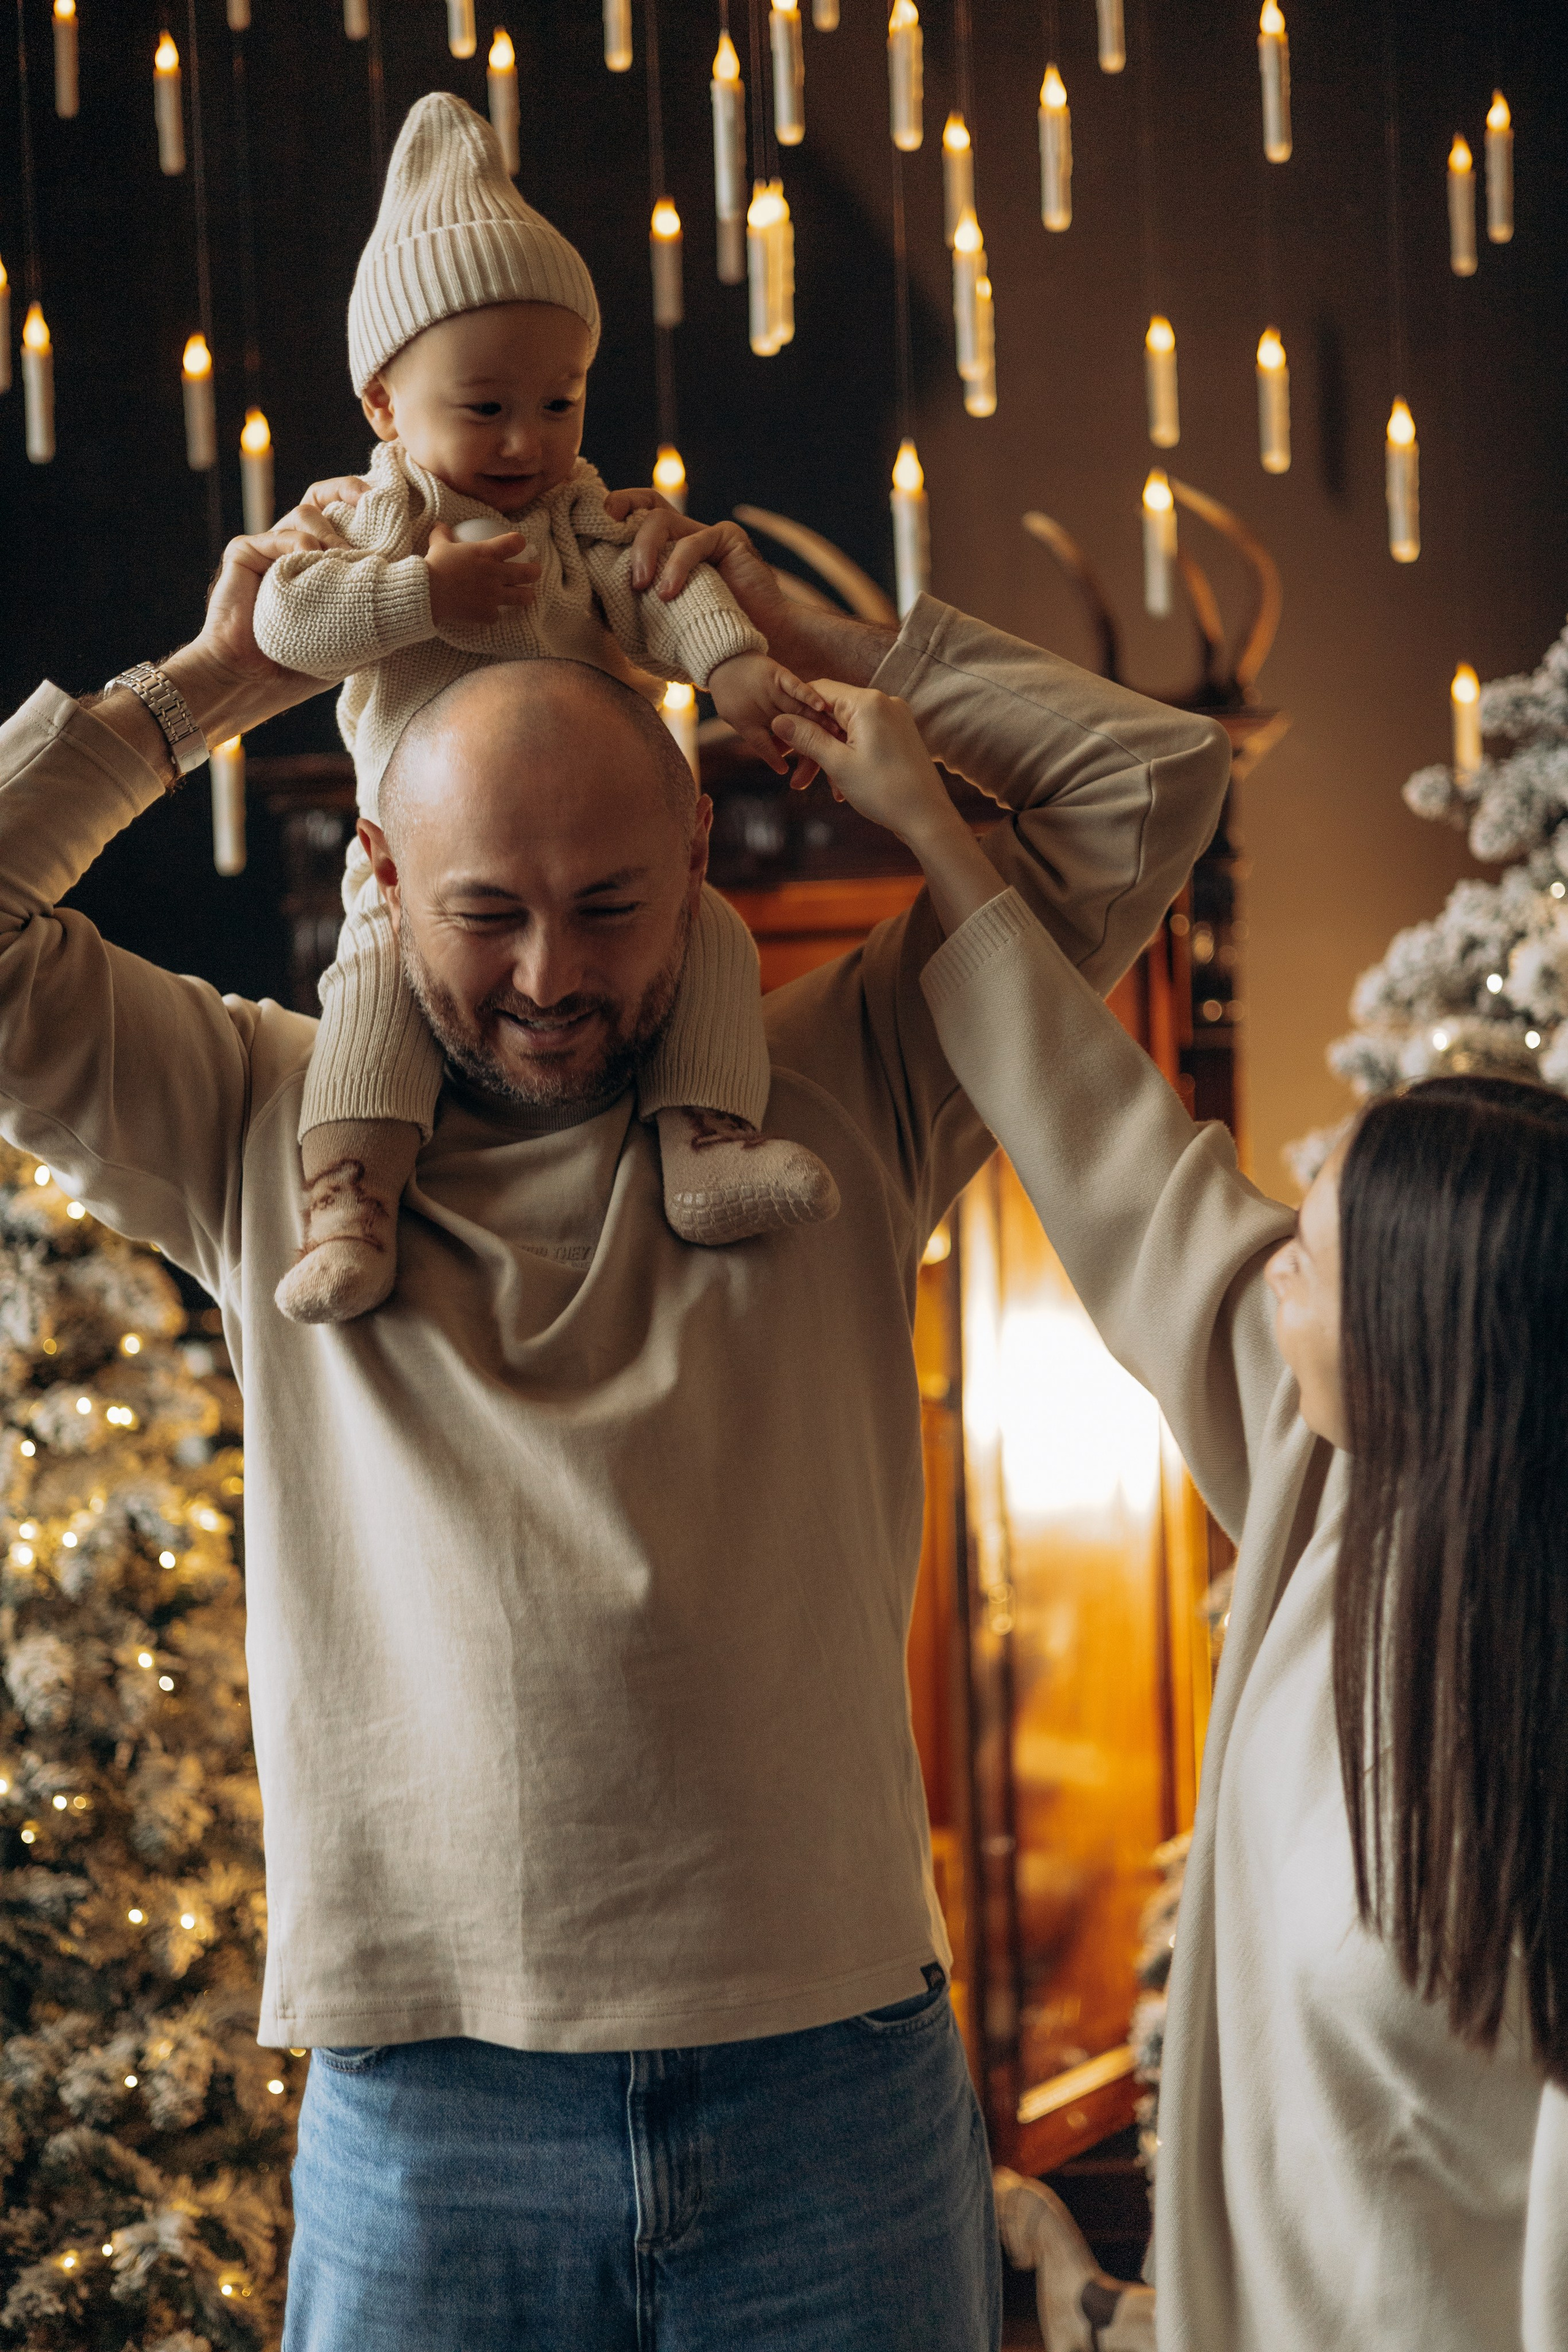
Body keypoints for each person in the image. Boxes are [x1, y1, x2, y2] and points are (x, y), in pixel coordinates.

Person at [0, 496, 1227, 2349]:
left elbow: (1151, 791)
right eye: (487, 913)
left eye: (612, 908)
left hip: (834, 2087)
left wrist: (841, 656)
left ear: (703, 857)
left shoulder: (843, 1079)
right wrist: (211, 686)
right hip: (433, 2111)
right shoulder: (259, 1125)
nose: (554, 979)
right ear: (387, 883)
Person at [807, 692, 1568, 2350]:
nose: (1265, 1234)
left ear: (1422, 1342)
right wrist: (932, 828)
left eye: (1309, 1245)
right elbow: (1124, 1162)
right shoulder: (1330, 1474)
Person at [252, 91, 839, 1325]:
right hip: (426, 852)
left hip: (589, 815)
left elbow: (663, 599)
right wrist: (418, 592)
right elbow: (286, 625)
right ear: (381, 406)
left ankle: (707, 1140)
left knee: (714, 942)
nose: (527, 439)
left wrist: (735, 671)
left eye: (558, 399)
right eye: (484, 407)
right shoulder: (370, 520)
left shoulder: (581, 512)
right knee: (368, 995)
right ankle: (352, 1198)